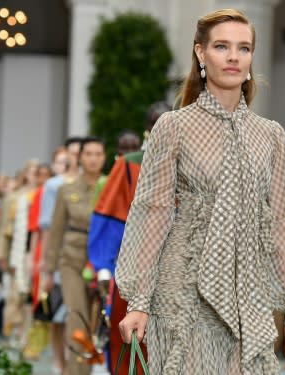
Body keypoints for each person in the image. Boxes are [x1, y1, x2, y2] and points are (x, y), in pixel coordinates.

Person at [115, 8, 285, 374]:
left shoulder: (271, 136)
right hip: (184, 289)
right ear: (200, 53)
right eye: (222, 46)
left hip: (250, 294)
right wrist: (139, 302)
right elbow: (152, 212)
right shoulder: (173, 127)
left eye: (243, 48)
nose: (233, 57)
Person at [87, 101, 170, 373]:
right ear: (148, 130)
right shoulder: (129, 166)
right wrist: (103, 269)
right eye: (159, 123)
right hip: (134, 273)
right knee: (131, 345)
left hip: (179, 274)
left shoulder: (193, 165)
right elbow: (108, 221)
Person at [44, 137, 106, 375]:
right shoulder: (66, 189)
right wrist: (48, 270)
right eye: (88, 154)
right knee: (76, 318)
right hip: (72, 260)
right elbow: (56, 230)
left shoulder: (110, 186)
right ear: (79, 158)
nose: (93, 159)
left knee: (97, 323)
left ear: (104, 157)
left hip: (102, 262)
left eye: (98, 154)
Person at [41, 140, 82, 373]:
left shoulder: (94, 184)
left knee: (76, 312)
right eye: (74, 153)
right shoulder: (54, 186)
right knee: (58, 314)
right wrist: (46, 264)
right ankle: (60, 363)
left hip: (83, 256)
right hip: (61, 255)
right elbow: (49, 228)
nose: (78, 157)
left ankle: (73, 362)